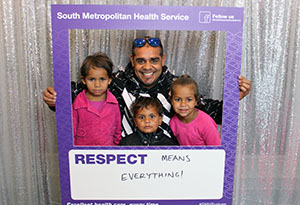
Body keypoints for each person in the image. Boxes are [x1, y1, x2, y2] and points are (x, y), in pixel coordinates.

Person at [44, 36, 251, 139]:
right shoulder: (116, 82)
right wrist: (56, 98)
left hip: (168, 164)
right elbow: (80, 92)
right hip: (124, 162)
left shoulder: (177, 86)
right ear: (132, 60)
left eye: (153, 60)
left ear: (162, 59)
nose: (148, 67)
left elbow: (213, 112)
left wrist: (236, 97)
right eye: (141, 60)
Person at [72, 52, 121, 146]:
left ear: (109, 80)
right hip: (83, 154)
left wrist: (115, 148)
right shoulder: (78, 103)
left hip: (108, 152)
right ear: (84, 80)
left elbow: (117, 128)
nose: (97, 85)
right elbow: (72, 130)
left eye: (102, 79)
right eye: (92, 79)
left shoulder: (113, 103)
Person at [169, 75, 221, 146]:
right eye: (178, 99)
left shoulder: (206, 123)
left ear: (196, 101)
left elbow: (216, 150)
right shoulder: (173, 123)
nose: (183, 104)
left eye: (189, 100)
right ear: (171, 101)